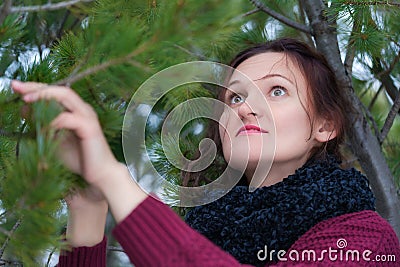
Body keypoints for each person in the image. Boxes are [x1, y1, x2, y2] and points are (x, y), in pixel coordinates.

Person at [11, 38, 399, 267]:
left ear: (325, 126)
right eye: (234, 98)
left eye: (276, 90)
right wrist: (88, 206)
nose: (245, 107)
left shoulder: (362, 239)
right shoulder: (196, 232)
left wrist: (112, 178)